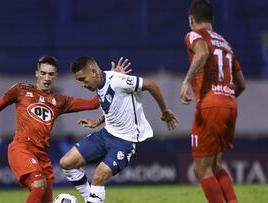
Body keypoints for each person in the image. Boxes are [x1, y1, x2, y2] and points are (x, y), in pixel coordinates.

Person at [0, 56, 131, 203]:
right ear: (37, 73)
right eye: (43, 73)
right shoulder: (20, 90)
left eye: (51, 74)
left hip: (42, 155)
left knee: (46, 199)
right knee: (38, 184)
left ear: (55, 76)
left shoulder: (59, 101)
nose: (47, 78)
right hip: (22, 148)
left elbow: (92, 104)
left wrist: (111, 77)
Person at [59, 56, 178, 203]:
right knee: (66, 163)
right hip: (106, 134)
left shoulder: (117, 81)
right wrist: (97, 122)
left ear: (94, 72)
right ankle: (89, 199)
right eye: (79, 81)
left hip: (124, 142)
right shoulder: (99, 84)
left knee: (98, 177)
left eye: (83, 79)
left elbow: (151, 84)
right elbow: (113, 108)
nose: (82, 84)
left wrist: (164, 110)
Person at [180, 1, 247, 203]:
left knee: (201, 169)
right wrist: (224, 98)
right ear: (213, 20)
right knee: (215, 165)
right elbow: (241, 85)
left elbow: (202, 52)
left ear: (192, 20)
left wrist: (186, 81)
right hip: (230, 104)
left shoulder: (194, 35)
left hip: (210, 105)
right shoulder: (226, 43)